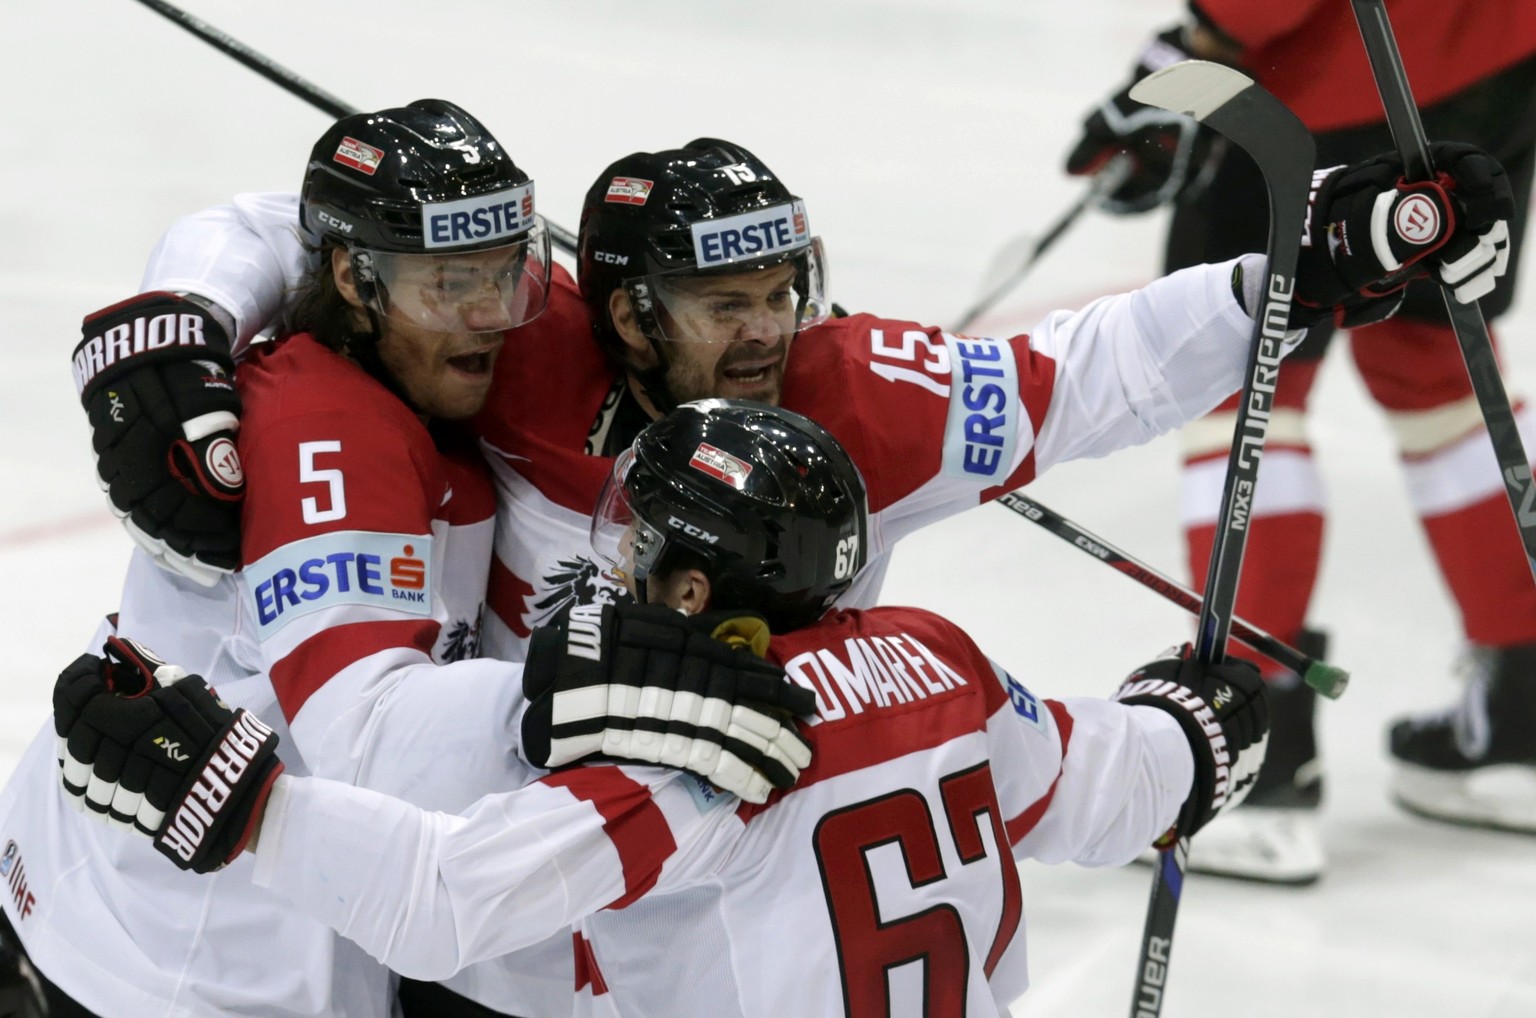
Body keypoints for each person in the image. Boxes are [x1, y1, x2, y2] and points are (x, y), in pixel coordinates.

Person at [54, 132, 1510, 1012]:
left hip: (682, 838)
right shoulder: (517, 335)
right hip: (556, 862)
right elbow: (293, 220)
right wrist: (178, 313)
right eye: (718, 302)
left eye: (779, 292)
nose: (763, 333)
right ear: (620, 308)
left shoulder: (851, 389)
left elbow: (1090, 368)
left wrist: (1305, 268)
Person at [51, 399, 1273, 1017]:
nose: (616, 569)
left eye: (639, 551)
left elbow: (442, 902)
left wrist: (241, 799)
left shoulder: (708, 745)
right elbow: (1109, 780)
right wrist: (1203, 723)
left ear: (695, 584)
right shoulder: (941, 662)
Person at [0, 101, 813, 1018]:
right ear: (353, 278)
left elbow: (265, 222)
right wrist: (592, 682)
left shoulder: (408, 373)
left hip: (175, 914)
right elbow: (370, 737)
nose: (489, 318)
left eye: (508, 274)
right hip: (174, 963)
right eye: (450, 286)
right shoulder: (326, 427)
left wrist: (186, 300)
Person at [1064, 0, 1536, 882]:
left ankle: (1256, 762)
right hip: (1494, 60)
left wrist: (1203, 39)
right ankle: (1520, 728)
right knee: (1437, 369)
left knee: (1243, 379)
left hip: (1320, 81)